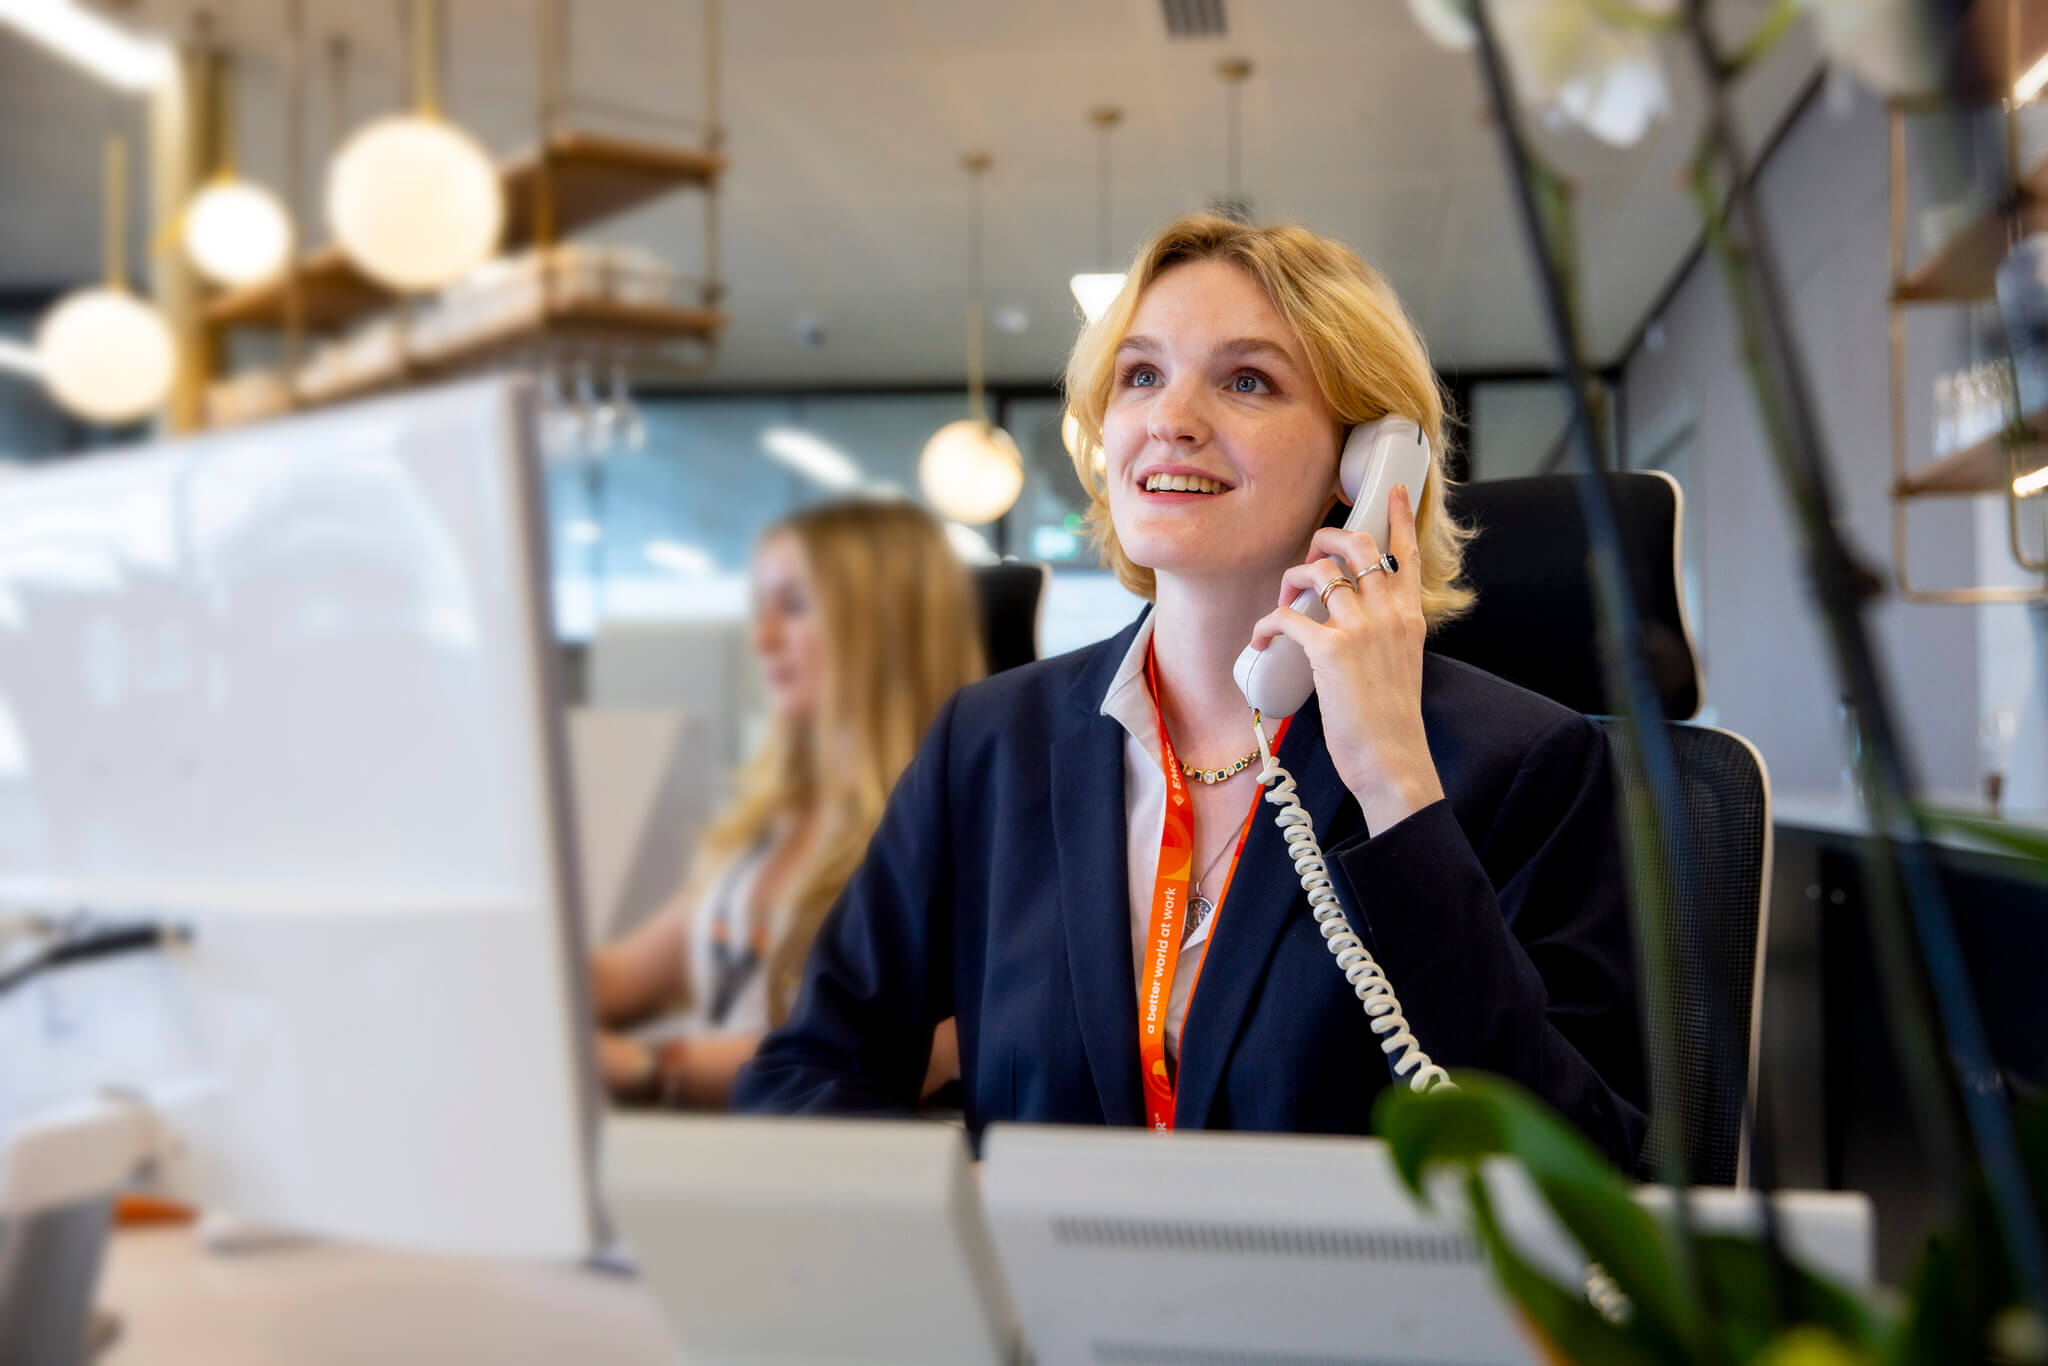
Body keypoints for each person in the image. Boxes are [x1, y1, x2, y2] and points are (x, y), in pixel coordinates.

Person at [733, 215, 1647, 1165]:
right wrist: (957, 1242)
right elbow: (805, 1072)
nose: (1172, 418)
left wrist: (1396, 795)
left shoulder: (1517, 765)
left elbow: (1597, 1169)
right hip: (1043, 1308)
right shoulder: (991, 742)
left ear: (1365, 460)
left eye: (1247, 380)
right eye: (1140, 376)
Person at [590, 497, 984, 1107]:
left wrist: (654, 1066)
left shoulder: (961, 828)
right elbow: (622, 975)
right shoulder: (779, 818)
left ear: (882, 630)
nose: (764, 637)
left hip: (809, 1166)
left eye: (795, 608)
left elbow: (923, 1054)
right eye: (762, 608)